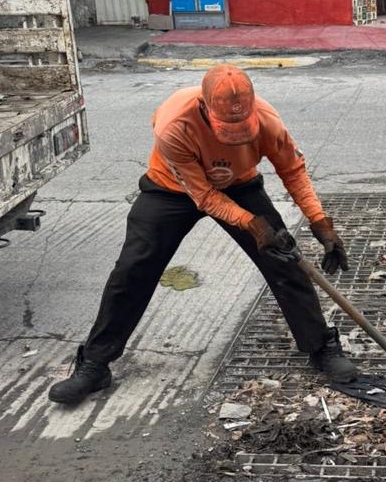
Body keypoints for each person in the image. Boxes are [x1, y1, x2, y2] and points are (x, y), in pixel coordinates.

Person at [49, 64, 357, 405]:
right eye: (228, 129)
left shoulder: (268, 120)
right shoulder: (174, 126)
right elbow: (205, 197)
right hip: (172, 190)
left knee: (284, 259)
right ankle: (95, 364)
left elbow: (292, 169)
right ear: (205, 110)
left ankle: (320, 347)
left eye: (244, 128)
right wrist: (253, 224)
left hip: (240, 185)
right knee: (133, 269)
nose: (239, 134)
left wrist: (320, 222)